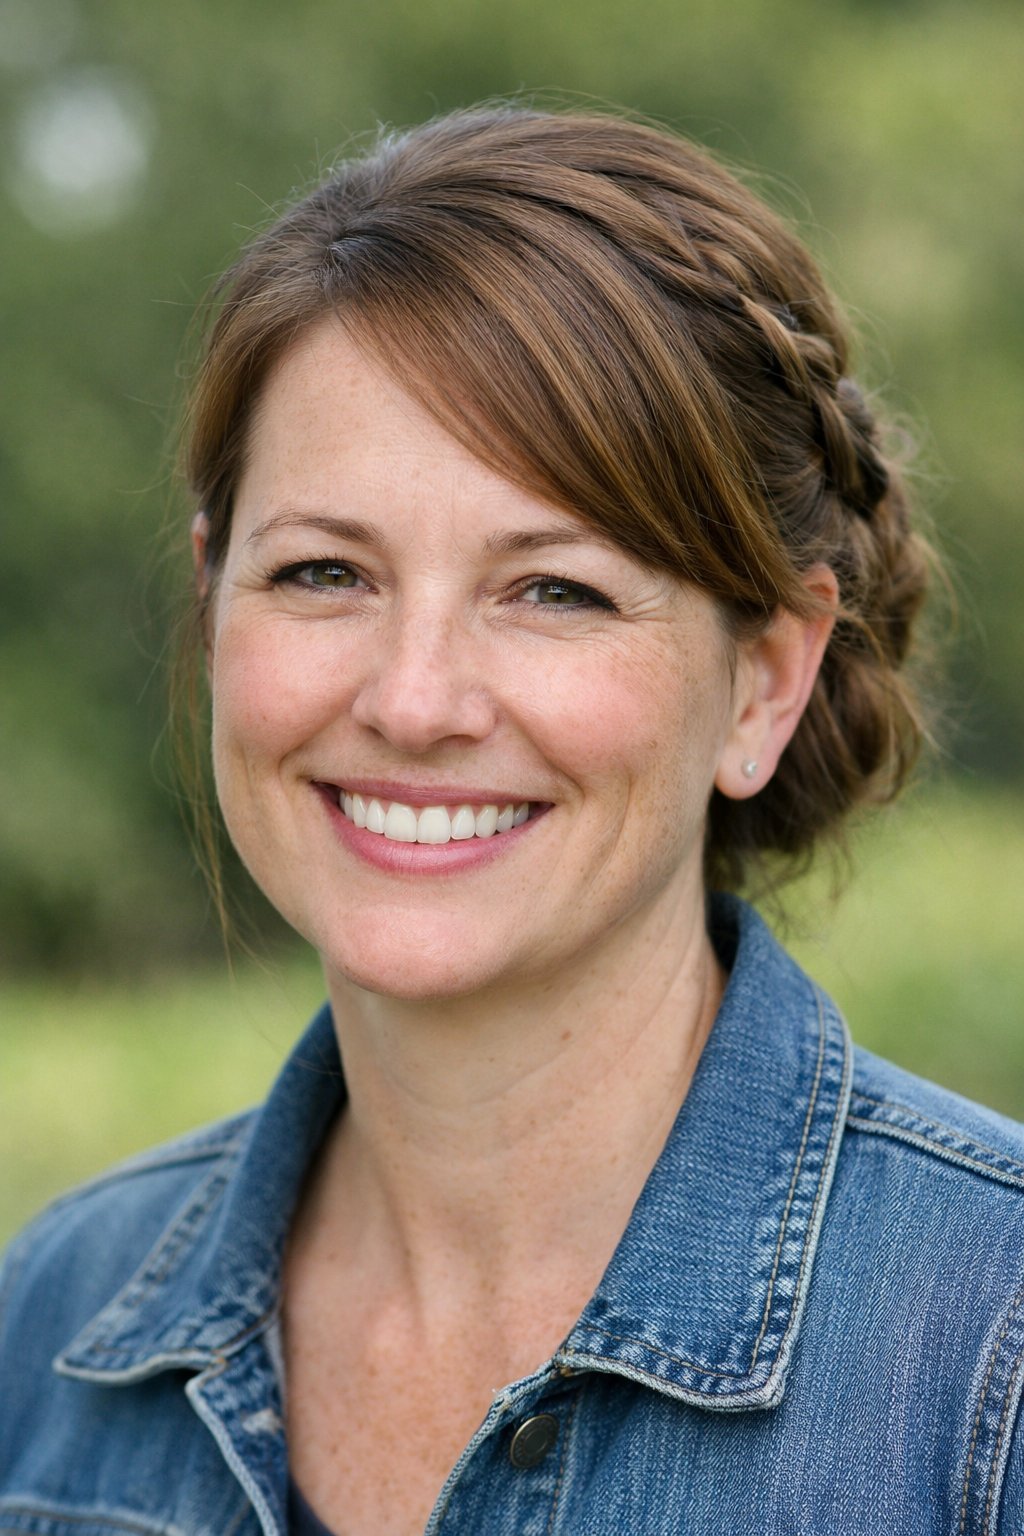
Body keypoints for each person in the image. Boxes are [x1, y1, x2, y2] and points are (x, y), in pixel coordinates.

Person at [1, 104, 1022, 1536]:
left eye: (554, 589)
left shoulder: (994, 1358)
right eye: (321, 575)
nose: (415, 701)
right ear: (213, 597)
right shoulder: (46, 1324)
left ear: (765, 682)